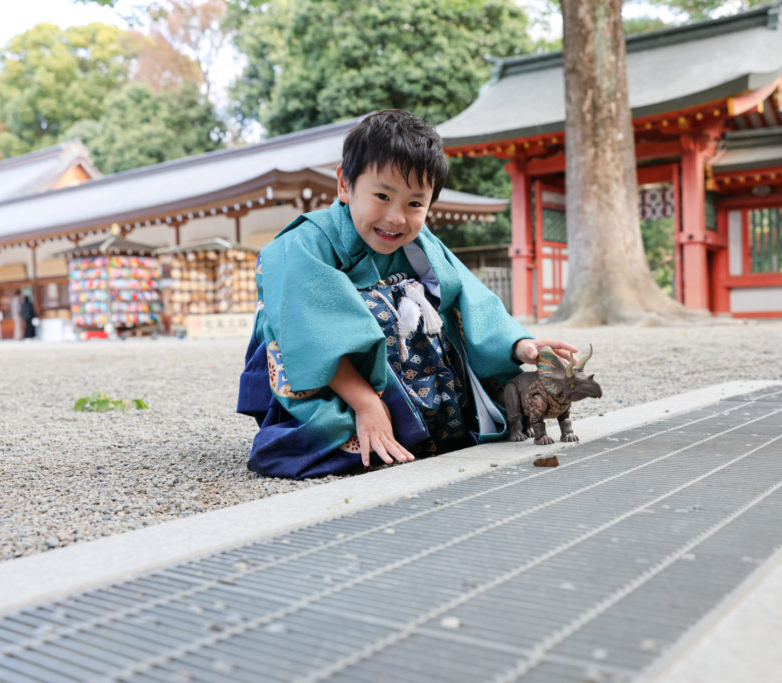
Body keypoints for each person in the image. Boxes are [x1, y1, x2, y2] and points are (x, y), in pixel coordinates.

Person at [238, 110, 575, 479]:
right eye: (382, 196)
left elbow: (468, 297)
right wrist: (365, 403)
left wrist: (519, 346)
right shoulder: (301, 244)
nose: (396, 218)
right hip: (319, 376)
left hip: (401, 376)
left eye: (415, 204)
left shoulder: (420, 245)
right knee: (379, 310)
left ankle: (415, 419)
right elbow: (309, 332)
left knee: (422, 307)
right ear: (344, 185)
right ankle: (381, 417)